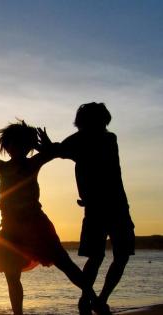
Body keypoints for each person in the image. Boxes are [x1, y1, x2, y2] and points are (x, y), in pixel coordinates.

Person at [0, 121, 108, 315]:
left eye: (19, 143)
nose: (12, 148)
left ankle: (94, 300)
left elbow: (55, 152)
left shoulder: (33, 163)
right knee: (12, 277)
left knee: (66, 264)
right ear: (7, 147)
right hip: (10, 229)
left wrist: (43, 146)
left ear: (26, 146)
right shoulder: (2, 166)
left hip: (36, 226)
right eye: (10, 144)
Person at [54, 102, 134, 315]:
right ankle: (89, 299)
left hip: (114, 206)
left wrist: (49, 147)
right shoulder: (83, 140)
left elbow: (59, 150)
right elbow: (58, 150)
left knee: (118, 256)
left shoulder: (105, 139)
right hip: (102, 208)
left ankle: (97, 299)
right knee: (99, 256)